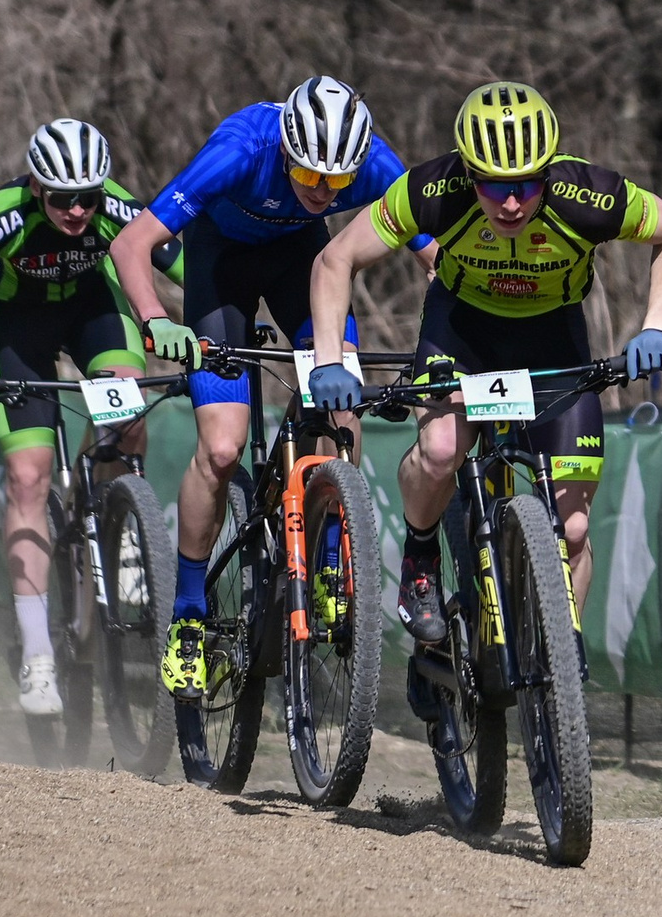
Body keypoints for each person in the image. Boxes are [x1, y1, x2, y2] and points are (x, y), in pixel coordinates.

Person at [303, 79, 662, 667]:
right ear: (469, 173)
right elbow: (337, 259)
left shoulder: (586, 194)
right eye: (493, 185)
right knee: (440, 449)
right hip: (464, 331)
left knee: (573, 529)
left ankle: (558, 670)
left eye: (526, 185)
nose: (511, 203)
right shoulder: (433, 191)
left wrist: (657, 326)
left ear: (548, 172)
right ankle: (420, 556)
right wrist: (331, 360)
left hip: (552, 338)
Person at [108, 76, 431, 701]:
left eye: (336, 185)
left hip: (303, 267)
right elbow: (133, 243)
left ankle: (334, 554)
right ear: (286, 147)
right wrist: (155, 322)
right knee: (223, 451)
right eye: (309, 175)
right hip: (220, 267)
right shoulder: (240, 149)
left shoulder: (372, 165)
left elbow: (438, 253)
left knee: (341, 400)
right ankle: (189, 614)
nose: (320, 192)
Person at [0, 119, 177, 719]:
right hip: (20, 326)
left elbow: (186, 263)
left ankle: (116, 519)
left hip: (93, 311)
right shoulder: (4, 215)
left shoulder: (114, 207)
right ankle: (36, 655)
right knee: (27, 477)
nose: (78, 211)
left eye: (89, 196)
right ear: (35, 187)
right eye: (61, 198)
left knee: (127, 406)